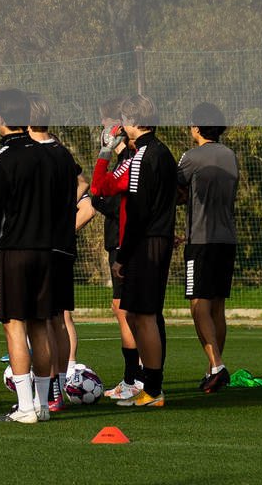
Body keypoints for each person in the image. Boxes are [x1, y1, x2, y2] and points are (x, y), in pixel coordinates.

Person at [0, 88, 58, 424]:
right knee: (40, 325)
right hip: (45, 251)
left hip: (11, 252)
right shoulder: (48, 157)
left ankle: (26, 408)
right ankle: (43, 405)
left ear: (0, 118)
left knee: (14, 326)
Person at [98, 95, 177, 409]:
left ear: (130, 122)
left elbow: (138, 210)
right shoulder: (162, 152)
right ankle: (148, 385)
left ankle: (153, 389)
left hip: (147, 242)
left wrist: (124, 253)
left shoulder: (144, 155)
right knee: (140, 314)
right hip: (156, 238)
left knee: (144, 317)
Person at [23, 99, 85, 414]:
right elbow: (83, 183)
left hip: (41, 244)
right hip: (64, 244)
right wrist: (65, 212)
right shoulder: (61, 150)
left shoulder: (30, 153)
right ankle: (58, 388)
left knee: (42, 318)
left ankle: (48, 390)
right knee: (58, 317)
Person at [87, 96, 145, 399]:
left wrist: (98, 200)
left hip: (125, 240)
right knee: (126, 309)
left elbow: (107, 196)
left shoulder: (129, 159)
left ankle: (135, 379)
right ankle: (137, 378)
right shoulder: (129, 157)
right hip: (120, 238)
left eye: (106, 122)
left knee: (129, 310)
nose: (102, 128)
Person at [180, 103, 238, 393]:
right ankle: (213, 369)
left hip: (201, 240)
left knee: (198, 304)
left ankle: (216, 365)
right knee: (218, 306)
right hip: (227, 239)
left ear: (197, 127)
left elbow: (175, 191)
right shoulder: (230, 156)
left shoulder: (191, 157)